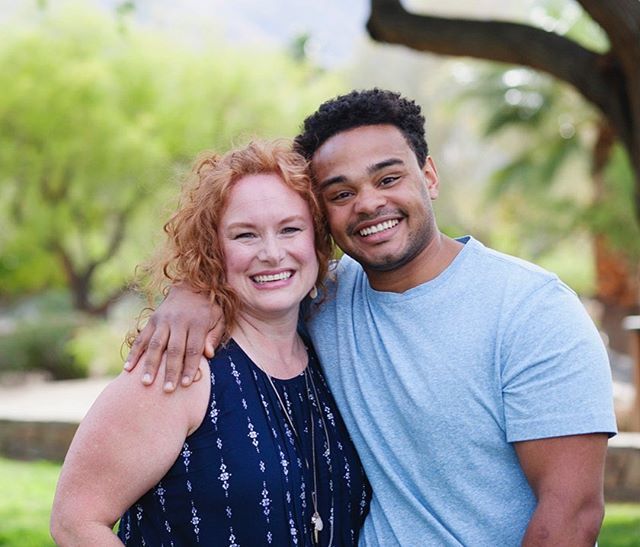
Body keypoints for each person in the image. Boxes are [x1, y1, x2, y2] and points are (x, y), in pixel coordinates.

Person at [125, 89, 617, 546]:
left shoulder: (532, 310)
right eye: (340, 193)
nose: (368, 203)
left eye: (388, 178)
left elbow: (572, 513)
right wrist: (192, 292)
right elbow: (253, 271)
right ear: (323, 214)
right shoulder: (321, 297)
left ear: (429, 176)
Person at [50, 140, 370, 546]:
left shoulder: (328, 351)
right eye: (245, 235)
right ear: (213, 249)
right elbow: (76, 522)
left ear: (318, 240)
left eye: (290, 229)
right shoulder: (180, 366)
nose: (272, 253)